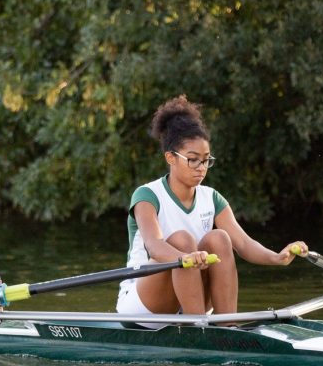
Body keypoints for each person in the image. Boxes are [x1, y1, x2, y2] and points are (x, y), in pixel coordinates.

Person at [116, 95, 309, 317]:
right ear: (170, 158)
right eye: (193, 159)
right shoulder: (147, 196)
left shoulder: (212, 198)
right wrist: (183, 258)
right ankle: (199, 330)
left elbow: (244, 243)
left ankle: (228, 326)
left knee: (220, 238)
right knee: (183, 240)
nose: (201, 167)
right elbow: (154, 246)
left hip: (191, 298)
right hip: (143, 306)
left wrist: (277, 257)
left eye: (206, 159)